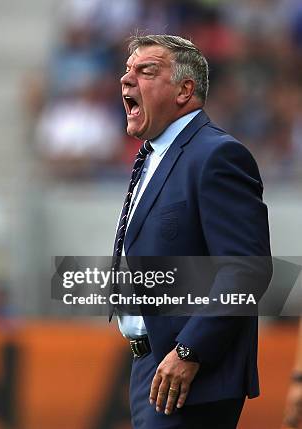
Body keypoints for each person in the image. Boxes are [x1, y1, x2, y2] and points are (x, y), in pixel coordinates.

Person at [112, 34, 272, 428]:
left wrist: (190, 351)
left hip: (191, 374)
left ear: (185, 89)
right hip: (152, 366)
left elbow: (246, 269)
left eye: (146, 71)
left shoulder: (216, 155)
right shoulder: (153, 156)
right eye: (127, 70)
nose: (126, 80)